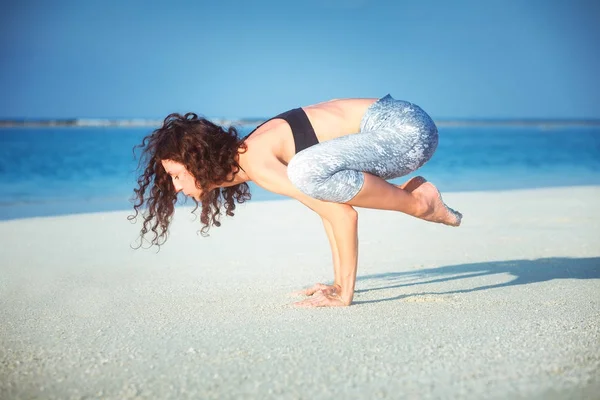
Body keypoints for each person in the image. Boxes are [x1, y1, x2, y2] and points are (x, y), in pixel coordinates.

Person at [131, 94, 462, 308]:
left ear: (197, 161)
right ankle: (416, 199)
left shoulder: (256, 161)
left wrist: (343, 294)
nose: (175, 188)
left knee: (306, 170)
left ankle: (419, 203)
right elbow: (332, 211)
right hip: (403, 128)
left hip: (405, 131)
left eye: (176, 175)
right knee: (314, 177)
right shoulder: (253, 153)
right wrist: (336, 283)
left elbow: (343, 217)